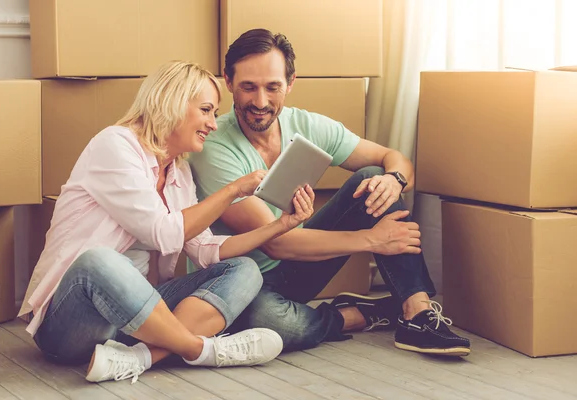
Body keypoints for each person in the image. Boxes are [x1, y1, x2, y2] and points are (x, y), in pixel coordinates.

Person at [18, 60, 316, 384]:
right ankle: (203, 350)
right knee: (99, 261)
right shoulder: (116, 145)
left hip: (134, 324)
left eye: (214, 114)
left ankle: (141, 357)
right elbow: (163, 233)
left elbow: (203, 249)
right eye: (205, 110)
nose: (213, 124)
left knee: (244, 269)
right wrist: (233, 190)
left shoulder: (179, 173)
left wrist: (280, 226)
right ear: (172, 101)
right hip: (69, 324)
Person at [188, 29, 471, 356]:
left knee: (375, 178)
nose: (260, 102)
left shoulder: (307, 125)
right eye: (248, 87)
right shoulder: (214, 146)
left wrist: (393, 179)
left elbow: (394, 159)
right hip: (243, 280)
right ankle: (362, 314)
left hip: (301, 264)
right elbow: (276, 243)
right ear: (228, 81)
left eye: (273, 87)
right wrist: (373, 239)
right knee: (270, 322)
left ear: (291, 83)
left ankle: (417, 312)